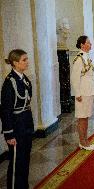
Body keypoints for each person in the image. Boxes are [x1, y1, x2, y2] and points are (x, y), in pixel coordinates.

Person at [1, 49, 33, 189]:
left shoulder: (23, 79)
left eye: (27, 59)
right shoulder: (9, 83)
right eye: (24, 60)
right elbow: (5, 110)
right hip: (16, 126)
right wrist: (9, 133)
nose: (27, 62)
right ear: (15, 63)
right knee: (16, 162)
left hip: (26, 123)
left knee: (25, 159)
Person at [71, 35, 94, 150]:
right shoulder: (79, 59)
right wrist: (77, 94)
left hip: (88, 91)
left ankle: (86, 140)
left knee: (86, 117)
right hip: (82, 92)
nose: (90, 44)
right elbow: (74, 78)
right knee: (82, 118)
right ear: (82, 45)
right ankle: (82, 141)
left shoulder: (86, 56)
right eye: (88, 43)